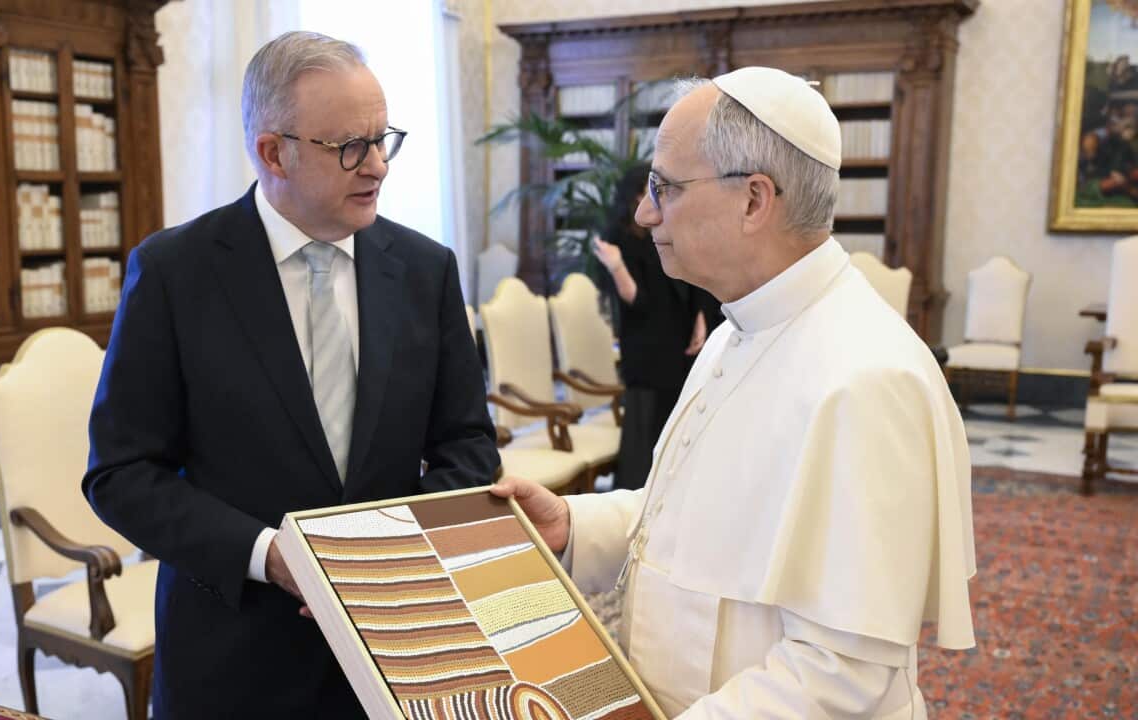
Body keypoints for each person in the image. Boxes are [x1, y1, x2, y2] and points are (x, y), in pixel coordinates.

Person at [494, 66, 976, 718]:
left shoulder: (868, 380)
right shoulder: (735, 327)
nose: (643, 211)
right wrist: (575, 526)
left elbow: (843, 675)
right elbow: (689, 522)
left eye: (664, 187)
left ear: (754, 199)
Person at [83, 31, 499, 718]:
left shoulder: (426, 270)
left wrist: (389, 550)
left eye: (382, 139)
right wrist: (268, 554)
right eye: (349, 148)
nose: (377, 168)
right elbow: (121, 474)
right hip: (233, 655)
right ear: (273, 152)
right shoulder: (174, 274)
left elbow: (469, 446)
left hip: (395, 650)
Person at [591, 163, 721, 490]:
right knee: (643, 434)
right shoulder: (618, 236)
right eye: (644, 192)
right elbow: (635, 300)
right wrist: (617, 266)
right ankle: (636, 500)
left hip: (676, 339)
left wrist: (700, 317)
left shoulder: (668, 230)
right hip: (646, 345)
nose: (651, 202)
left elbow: (689, 283)